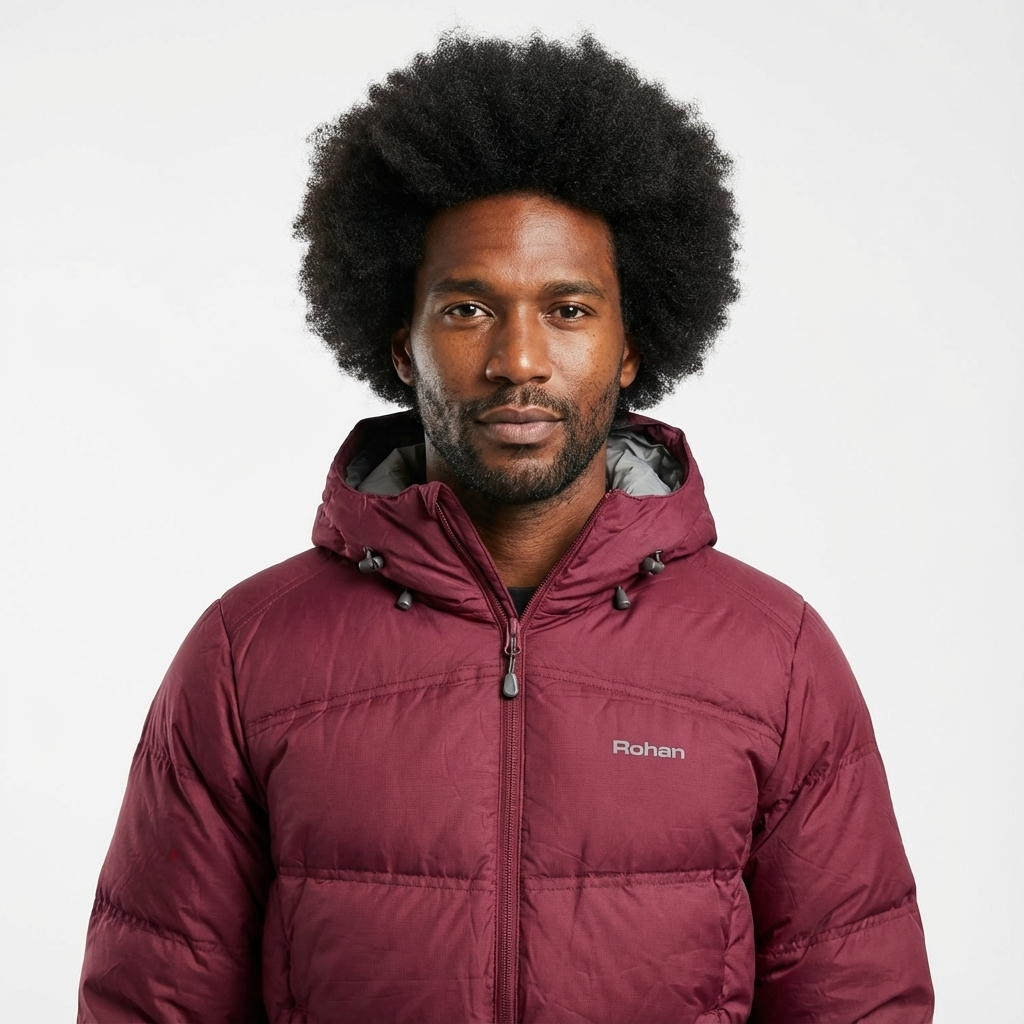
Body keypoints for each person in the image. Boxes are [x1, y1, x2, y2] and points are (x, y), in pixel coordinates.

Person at [78, 34, 934, 1024]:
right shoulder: (245, 654)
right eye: (467, 309)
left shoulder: (774, 658)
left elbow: (859, 1003)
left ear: (630, 346)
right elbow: (151, 1004)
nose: (518, 359)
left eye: (567, 309)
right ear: (403, 345)